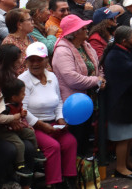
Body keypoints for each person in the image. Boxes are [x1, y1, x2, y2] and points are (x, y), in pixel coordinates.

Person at [19, 42, 78, 189]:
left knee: (70, 142)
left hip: (53, 122)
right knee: (53, 146)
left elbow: (58, 101)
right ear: (26, 61)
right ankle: (54, 183)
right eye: (31, 60)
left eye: (39, 59)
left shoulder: (52, 76)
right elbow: (23, 110)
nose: (35, 63)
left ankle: (70, 180)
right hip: (33, 127)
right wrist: (41, 125)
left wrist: (60, 119)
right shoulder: (23, 80)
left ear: (46, 60)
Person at [52, 14, 103, 157]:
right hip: (73, 103)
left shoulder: (86, 46)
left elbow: (97, 67)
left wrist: (101, 79)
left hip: (88, 100)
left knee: (85, 137)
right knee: (77, 139)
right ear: (75, 33)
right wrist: (96, 80)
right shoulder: (62, 51)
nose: (88, 30)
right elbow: (72, 79)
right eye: (84, 28)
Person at [102, 26, 132, 180]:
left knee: (130, 136)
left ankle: (127, 162)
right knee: (122, 137)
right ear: (124, 40)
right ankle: (120, 167)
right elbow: (131, 70)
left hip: (129, 101)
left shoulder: (123, 52)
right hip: (120, 102)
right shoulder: (115, 55)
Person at [0, 78, 41, 179]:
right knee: (19, 144)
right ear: (13, 97)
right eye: (22, 93)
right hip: (4, 131)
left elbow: (19, 118)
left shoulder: (18, 104)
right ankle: (20, 165)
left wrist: (23, 119)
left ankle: (36, 151)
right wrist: (15, 117)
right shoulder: (6, 107)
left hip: (15, 127)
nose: (24, 95)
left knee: (30, 133)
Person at [0, 8, 38, 75]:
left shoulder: (32, 39)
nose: (33, 22)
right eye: (29, 20)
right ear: (19, 25)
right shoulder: (9, 43)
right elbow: (10, 70)